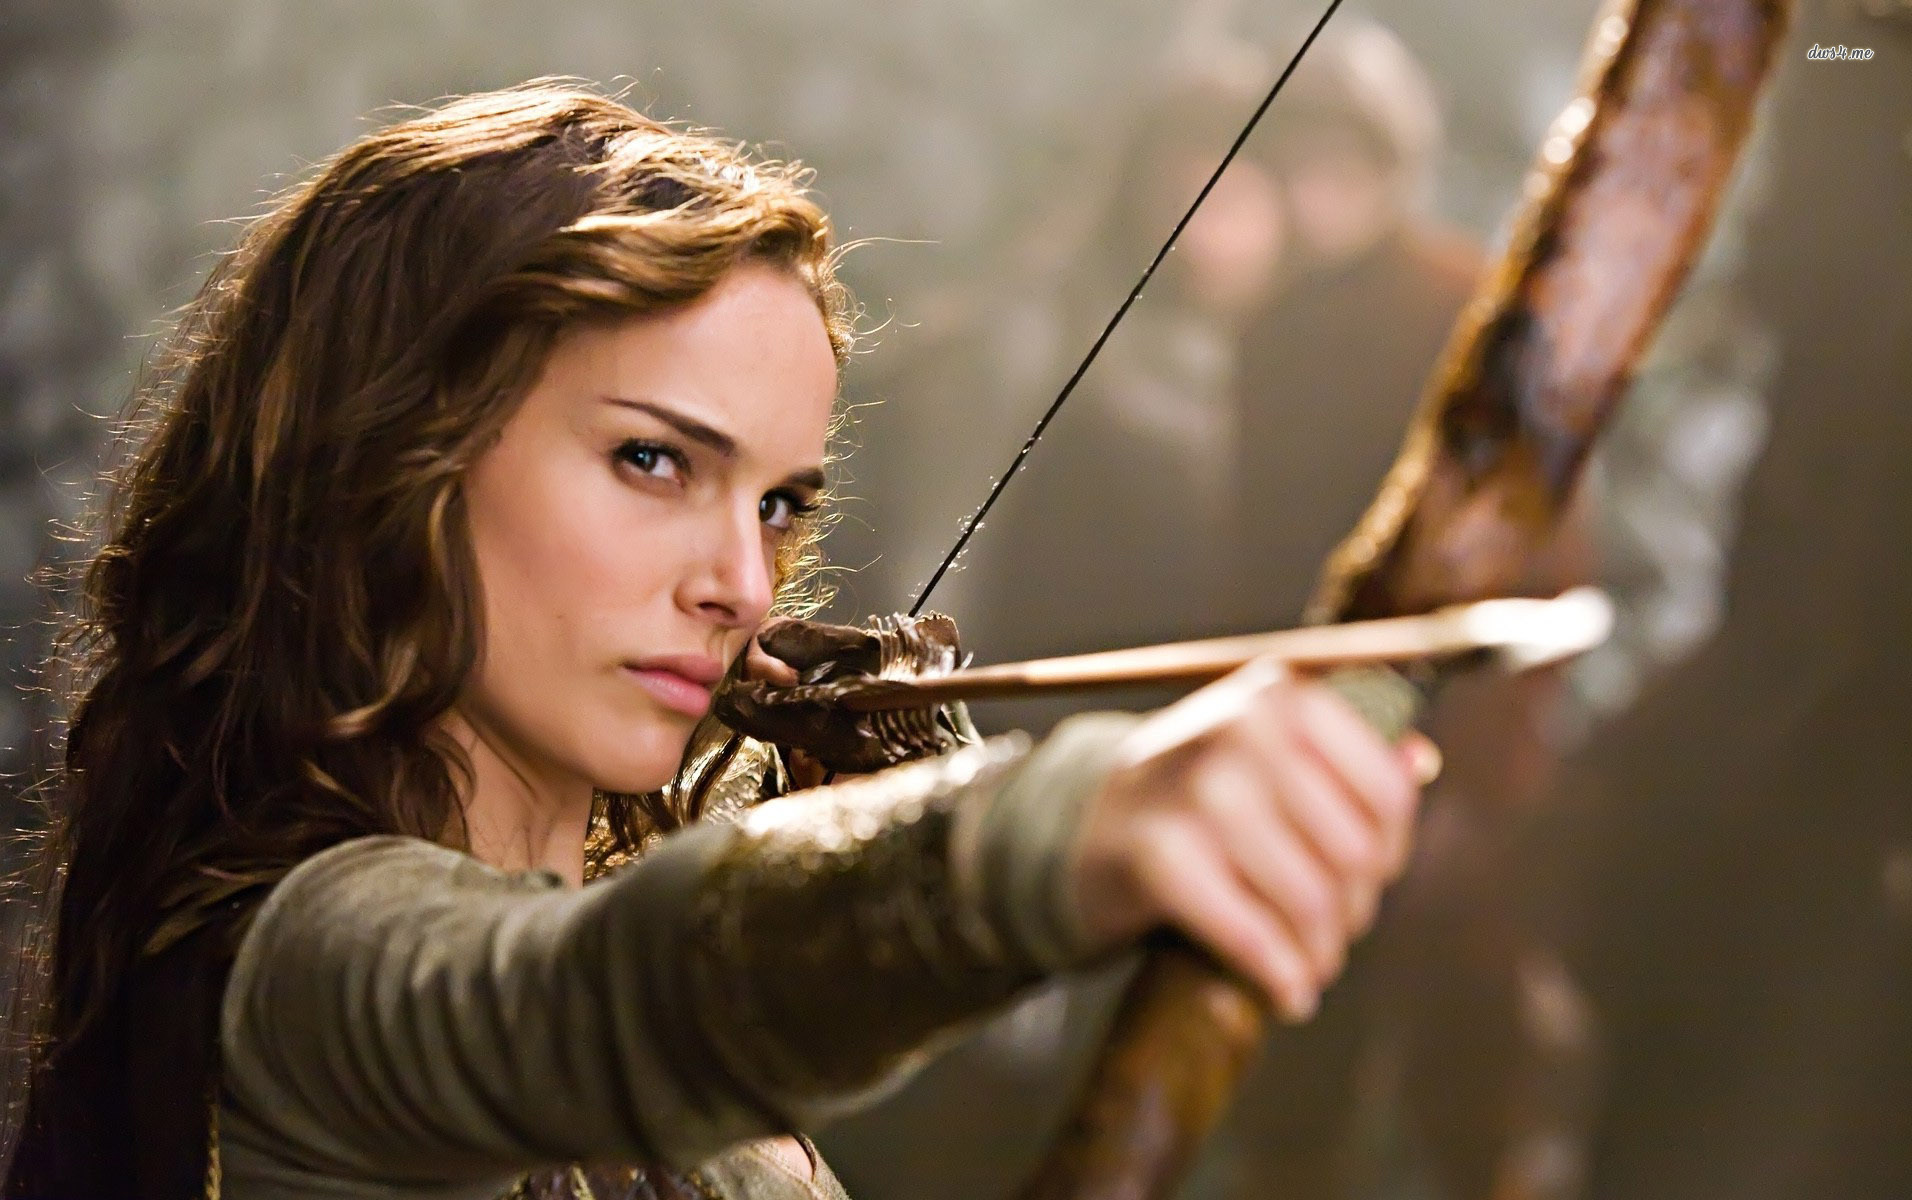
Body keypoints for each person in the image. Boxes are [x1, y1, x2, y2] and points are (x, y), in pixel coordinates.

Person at [0, 83, 1431, 1200]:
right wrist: (1036, 833)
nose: (744, 583)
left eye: (780, 504)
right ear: (392, 461)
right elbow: (605, 996)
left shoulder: (627, 946)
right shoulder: (297, 978)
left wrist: (899, 823)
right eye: (652, 460)